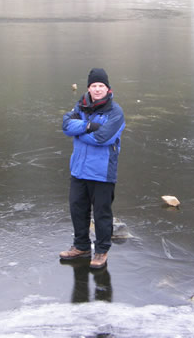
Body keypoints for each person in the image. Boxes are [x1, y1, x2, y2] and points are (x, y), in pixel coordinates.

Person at [60, 68, 125, 269]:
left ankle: (101, 250)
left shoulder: (115, 112)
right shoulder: (80, 106)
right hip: (79, 169)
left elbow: (102, 138)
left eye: (101, 86)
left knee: (101, 213)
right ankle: (81, 246)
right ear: (89, 88)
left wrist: (78, 132)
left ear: (108, 88)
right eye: (94, 86)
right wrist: (87, 126)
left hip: (102, 172)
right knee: (77, 209)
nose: (97, 89)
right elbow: (65, 125)